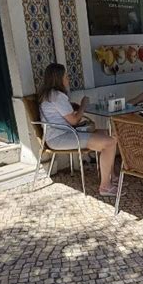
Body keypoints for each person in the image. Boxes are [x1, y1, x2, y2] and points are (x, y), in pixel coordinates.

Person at [38, 63, 118, 197]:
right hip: (61, 137)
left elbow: (63, 114)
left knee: (109, 134)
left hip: (61, 134)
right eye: (66, 76)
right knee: (109, 142)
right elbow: (74, 120)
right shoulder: (57, 95)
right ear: (58, 78)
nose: (68, 79)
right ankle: (105, 186)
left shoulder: (49, 94)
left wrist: (74, 107)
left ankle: (112, 176)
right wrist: (83, 105)